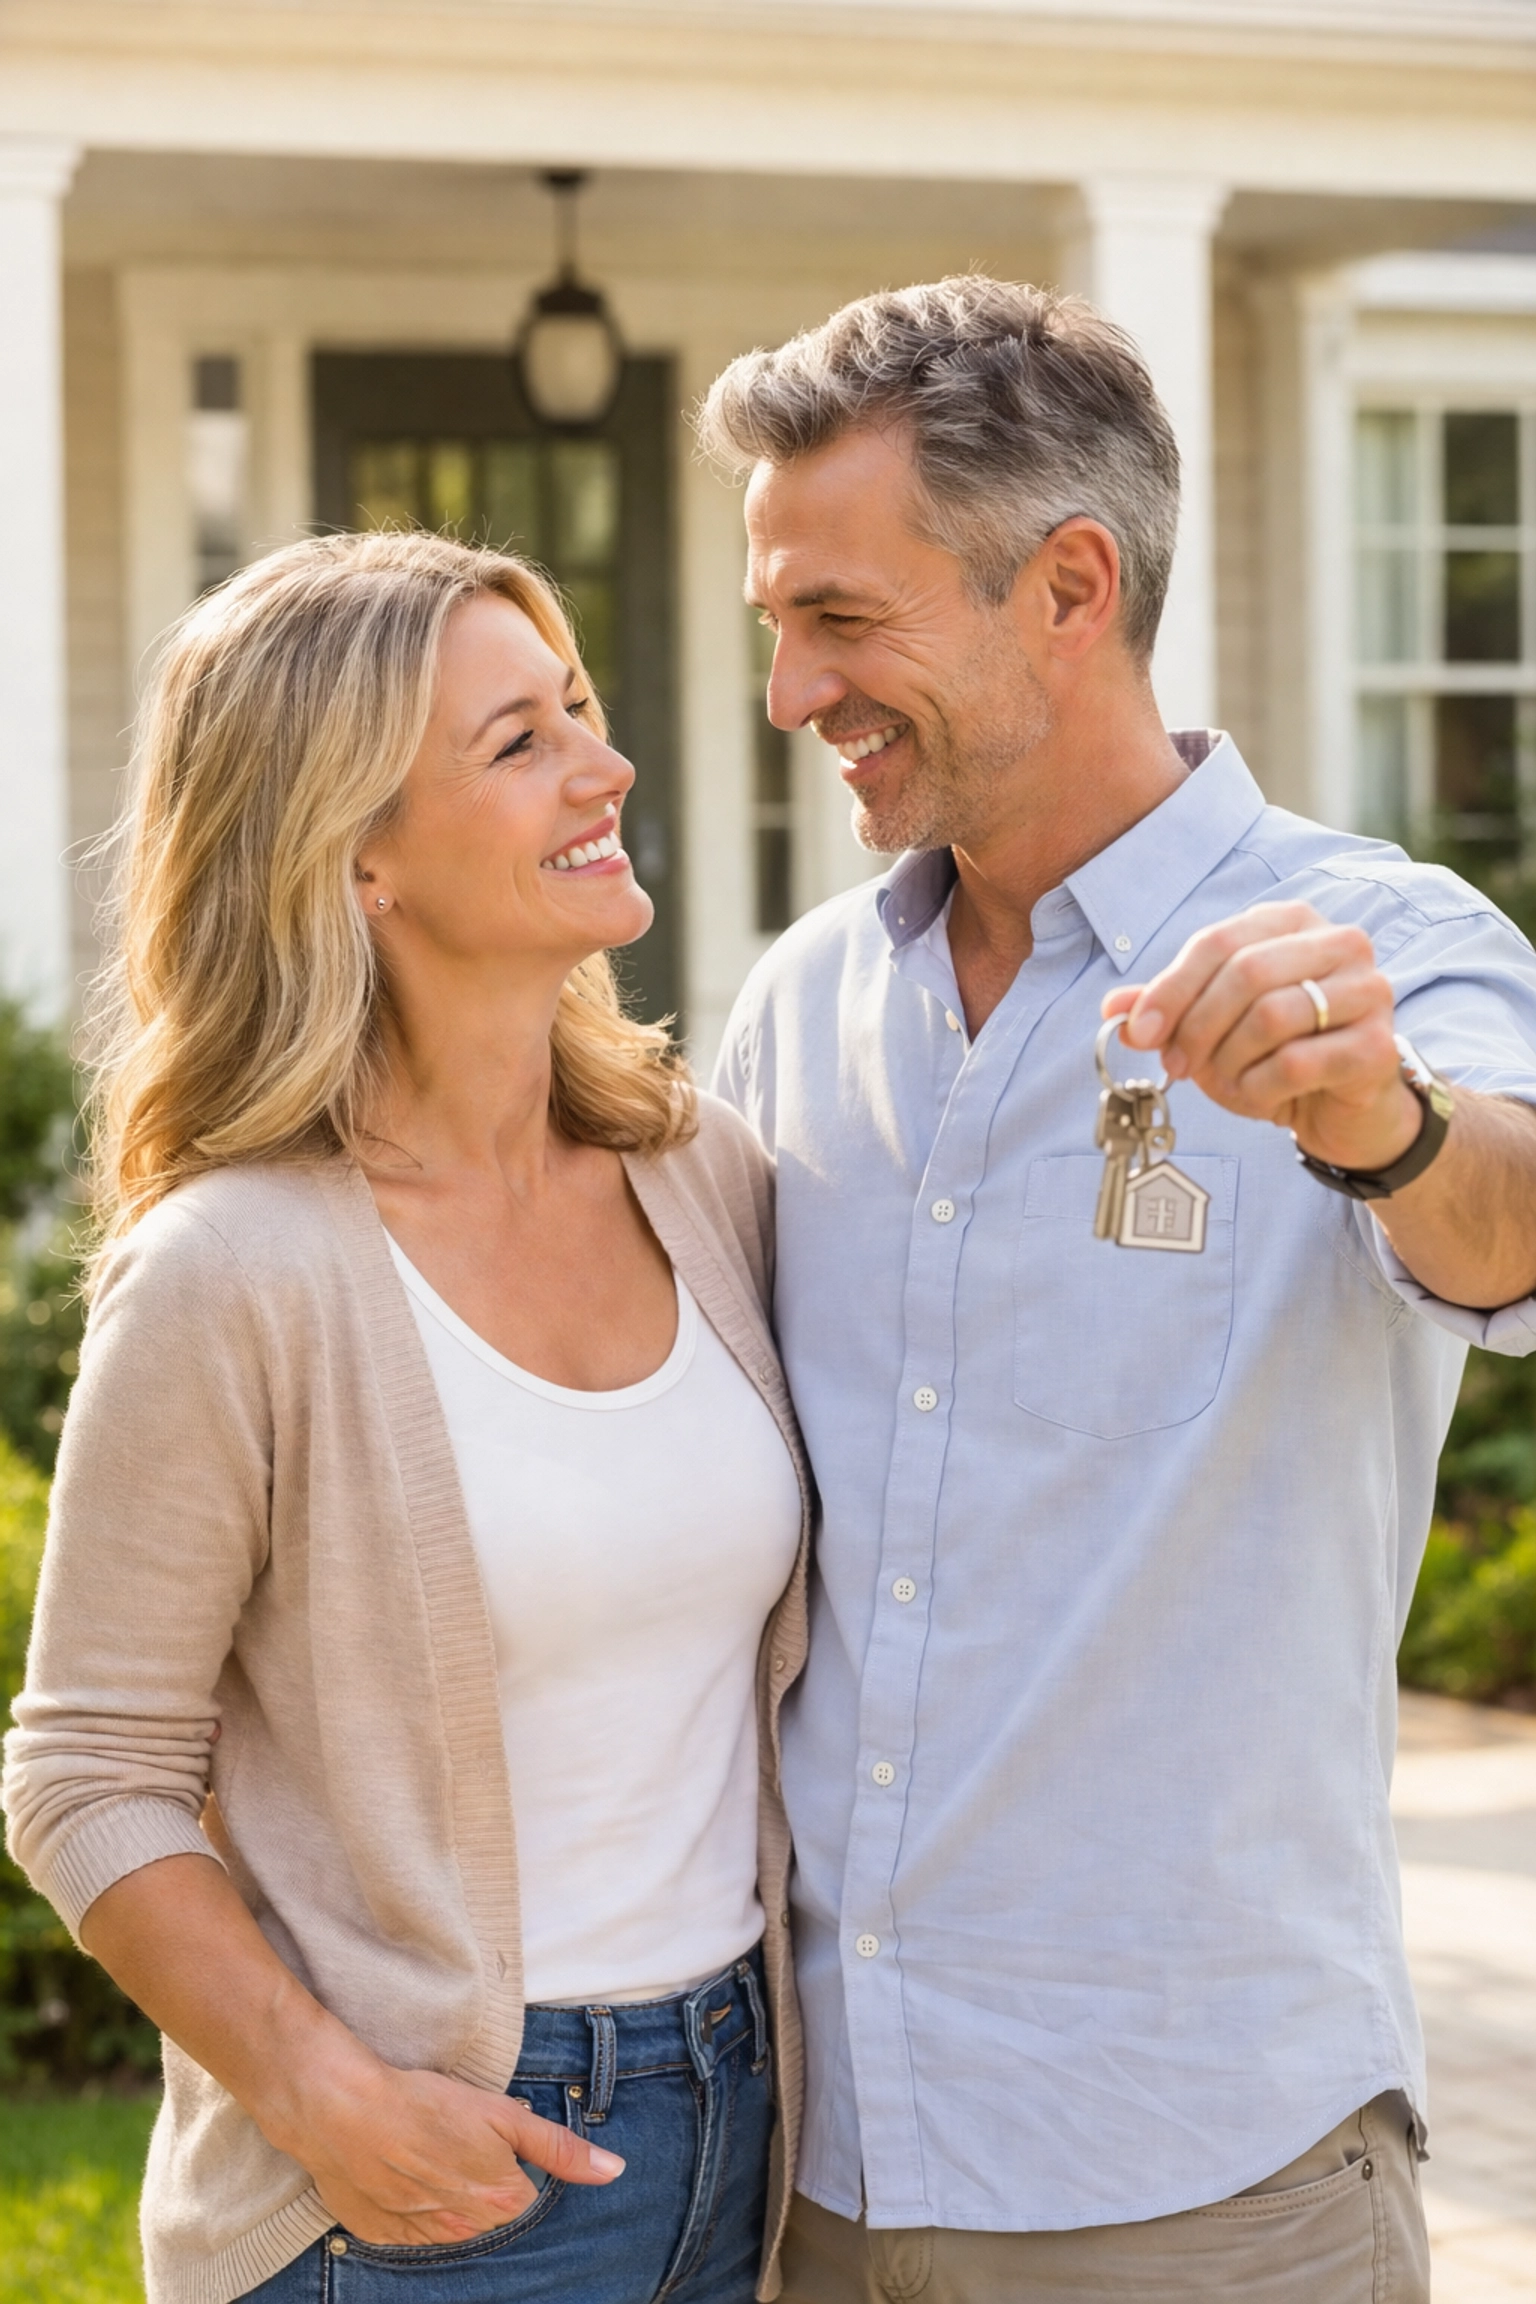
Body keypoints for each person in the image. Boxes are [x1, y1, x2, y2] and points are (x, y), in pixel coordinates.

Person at [695, 276, 1536, 2303]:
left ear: (1069, 586)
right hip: (822, 2164)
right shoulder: (803, 1007)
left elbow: (1509, 1231)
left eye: (843, 621)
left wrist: (1382, 1124)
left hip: (1202, 2178)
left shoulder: (1376, 945)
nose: (794, 696)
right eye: (776, 629)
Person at [2, 530, 814, 2304]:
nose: (603, 768)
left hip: (747, 2123)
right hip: (430, 2184)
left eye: (581, 709)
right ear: (355, 851)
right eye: (518, 744)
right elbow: (85, 1774)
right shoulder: (242, 1270)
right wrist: (325, 2097)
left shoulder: (702, 1177)